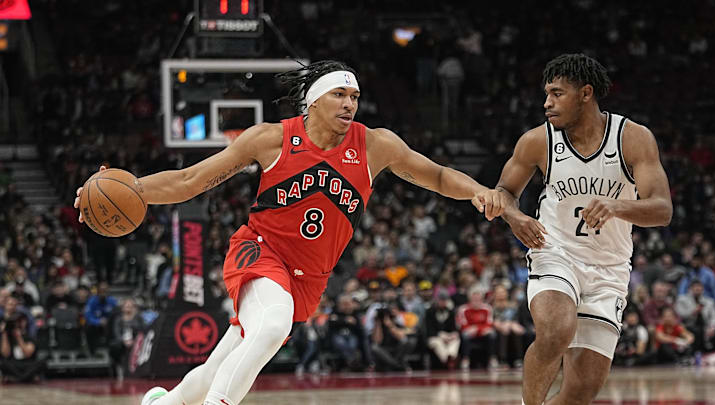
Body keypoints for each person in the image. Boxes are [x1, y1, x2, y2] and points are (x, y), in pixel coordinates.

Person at [74, 60, 504, 405]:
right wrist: (132, 189)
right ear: (314, 100)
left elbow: (439, 176)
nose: (349, 103)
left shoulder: (375, 144)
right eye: (339, 94)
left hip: (310, 278)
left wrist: (478, 192)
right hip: (259, 252)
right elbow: (190, 180)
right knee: (271, 325)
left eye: (354, 96)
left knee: (223, 361)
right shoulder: (270, 139)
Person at [494, 54, 672, 405]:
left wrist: (618, 206)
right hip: (555, 252)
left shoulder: (632, 138)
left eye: (557, 94)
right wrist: (515, 217)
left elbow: (662, 209)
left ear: (586, 93)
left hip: (609, 268)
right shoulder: (537, 141)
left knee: (581, 390)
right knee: (555, 330)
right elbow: (504, 193)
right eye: (546, 94)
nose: (547, 103)